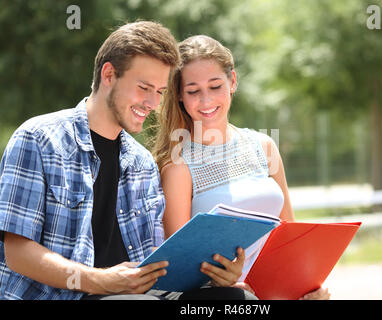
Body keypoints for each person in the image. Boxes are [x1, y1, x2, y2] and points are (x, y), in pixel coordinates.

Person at [0, 21, 252, 300]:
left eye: (160, 92)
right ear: (109, 74)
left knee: (236, 299)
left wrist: (215, 277)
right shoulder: (39, 139)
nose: (153, 103)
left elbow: (158, 265)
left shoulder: (142, 163)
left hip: (138, 294)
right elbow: (17, 253)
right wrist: (102, 281)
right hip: (63, 296)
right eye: (144, 87)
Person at [152, 35, 330, 300]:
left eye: (215, 86)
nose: (206, 100)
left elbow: (291, 236)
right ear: (179, 94)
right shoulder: (178, 165)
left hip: (272, 290)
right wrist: (222, 284)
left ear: (232, 81)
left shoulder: (264, 146)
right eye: (193, 91)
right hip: (218, 297)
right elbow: (180, 268)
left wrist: (307, 288)